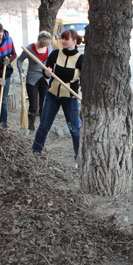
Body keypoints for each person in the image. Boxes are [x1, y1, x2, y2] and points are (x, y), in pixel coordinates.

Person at [31, 29, 82, 166]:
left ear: (74, 41)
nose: (63, 41)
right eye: (62, 38)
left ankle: (78, 159)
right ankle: (35, 152)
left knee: (75, 129)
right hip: (52, 95)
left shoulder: (80, 59)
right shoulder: (55, 54)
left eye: (67, 39)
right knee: (44, 125)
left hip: (69, 98)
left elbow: (83, 79)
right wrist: (47, 74)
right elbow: (45, 72)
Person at [16, 31, 52, 134]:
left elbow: (52, 62)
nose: (43, 46)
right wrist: (21, 72)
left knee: (43, 104)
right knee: (33, 105)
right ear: (39, 40)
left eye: (45, 44)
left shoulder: (49, 48)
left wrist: (50, 70)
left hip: (45, 79)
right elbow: (19, 60)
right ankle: (30, 127)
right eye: (42, 44)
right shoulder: (29, 48)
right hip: (32, 80)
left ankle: (43, 126)